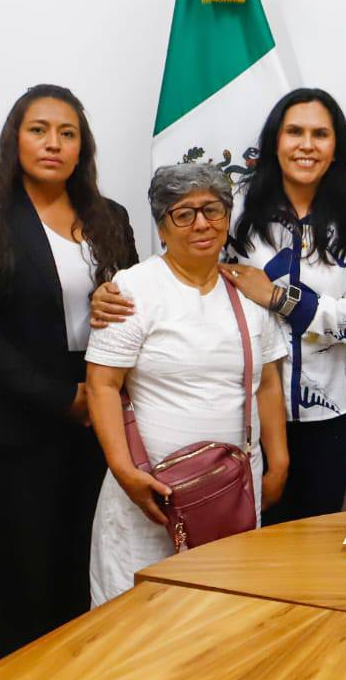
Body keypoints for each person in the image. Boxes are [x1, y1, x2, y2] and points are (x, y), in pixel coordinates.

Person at [91, 89, 346, 524]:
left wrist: (280, 299)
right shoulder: (235, 204)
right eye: (294, 132)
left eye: (320, 134)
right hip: (241, 411)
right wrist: (114, 292)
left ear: (336, 146)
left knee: (314, 534)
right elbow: (184, 263)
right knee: (247, 541)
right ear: (274, 141)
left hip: (330, 408)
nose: (306, 144)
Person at [0, 85, 137, 660]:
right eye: (39, 130)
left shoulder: (111, 218)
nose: (53, 143)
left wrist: (101, 385)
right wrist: (61, 397)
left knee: (89, 565)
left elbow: (136, 306)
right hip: (19, 423)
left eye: (67, 133)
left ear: (83, 147)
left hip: (100, 418)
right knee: (22, 575)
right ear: (16, 139)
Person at [84, 164, 289, 606]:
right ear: (162, 227)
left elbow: (268, 382)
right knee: (138, 615)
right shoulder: (132, 289)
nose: (201, 223)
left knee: (223, 608)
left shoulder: (247, 290)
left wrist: (279, 462)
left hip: (232, 494)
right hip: (148, 495)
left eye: (212, 210)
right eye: (184, 214)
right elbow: (102, 385)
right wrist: (124, 472)